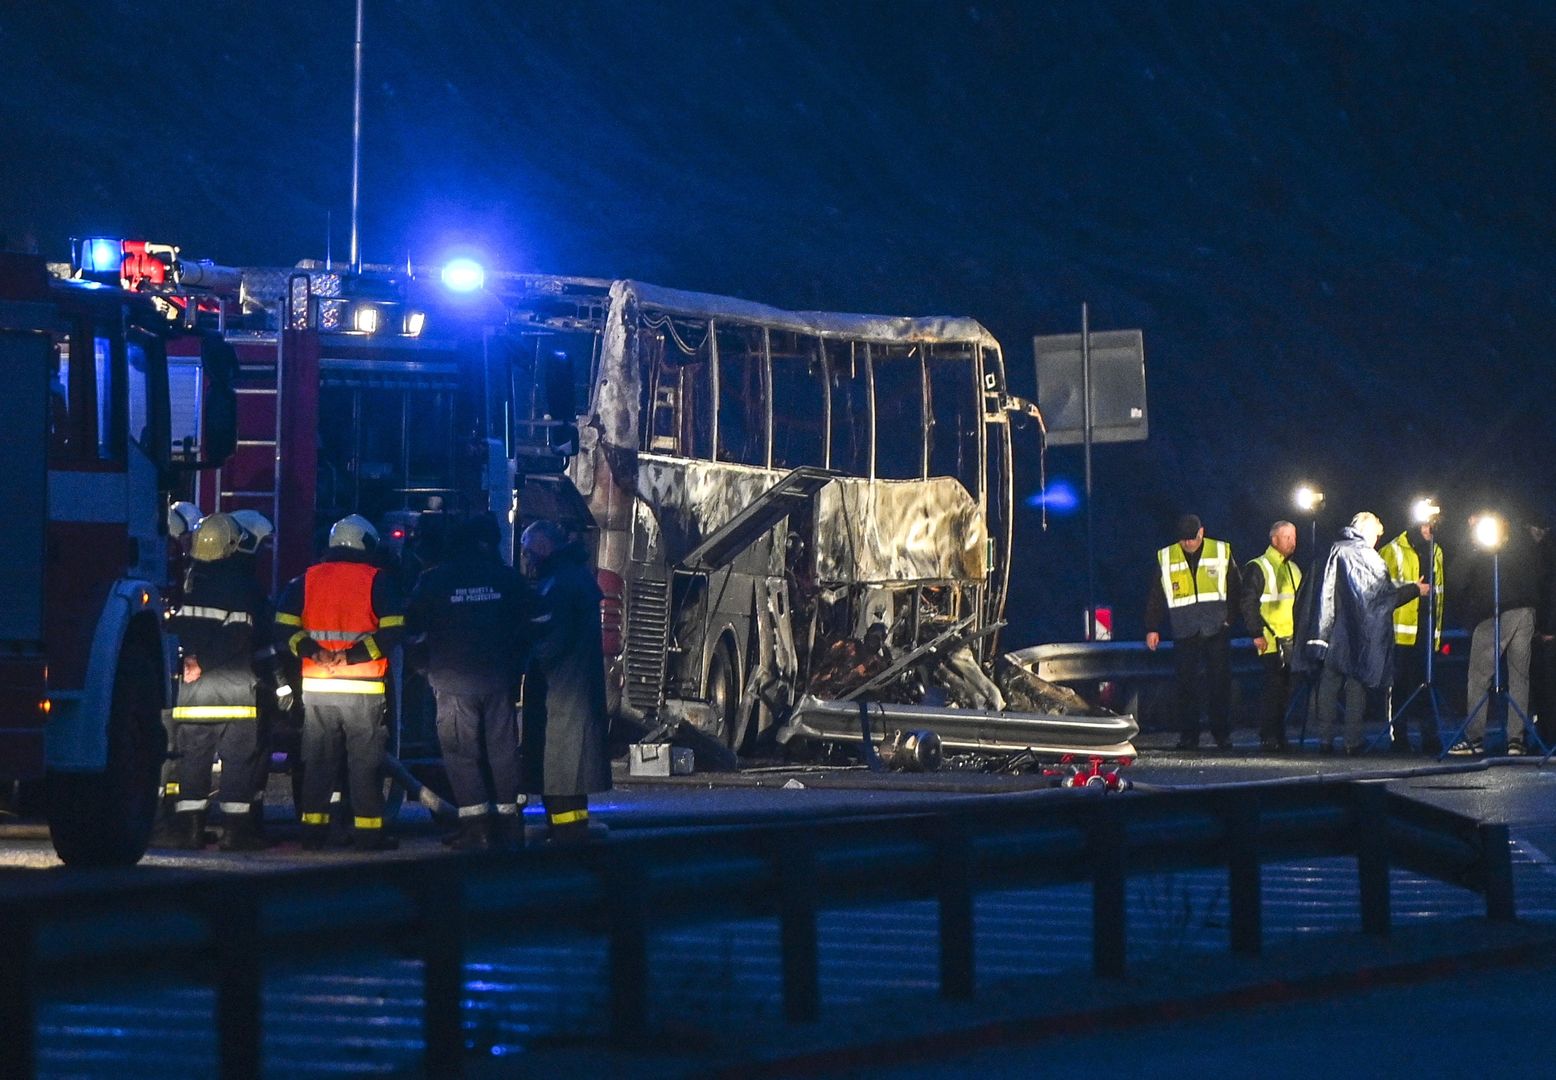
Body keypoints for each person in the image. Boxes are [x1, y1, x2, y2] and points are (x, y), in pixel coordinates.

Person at [275, 514, 406, 851]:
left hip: (318, 688)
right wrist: (352, 657)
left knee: (318, 761)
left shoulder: (304, 581)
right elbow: (392, 633)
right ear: (366, 543)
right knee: (365, 764)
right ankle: (368, 833)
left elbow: (283, 631)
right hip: (363, 689)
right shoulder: (378, 580)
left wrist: (315, 653)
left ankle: (312, 832)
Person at [408, 515, 532, 850]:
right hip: (498, 681)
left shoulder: (433, 581)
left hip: (451, 682)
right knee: (503, 752)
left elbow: (412, 631)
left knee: (462, 755)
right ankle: (509, 824)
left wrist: (425, 669)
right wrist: (515, 665)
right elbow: (532, 625)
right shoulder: (507, 580)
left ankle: (475, 828)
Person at [166, 513, 269, 850]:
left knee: (193, 761)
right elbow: (240, 634)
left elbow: (175, 630)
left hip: (192, 692)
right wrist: (205, 662)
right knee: (238, 762)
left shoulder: (187, 581)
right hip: (233, 691)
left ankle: (191, 832)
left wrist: (190, 662)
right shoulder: (242, 582)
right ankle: (234, 834)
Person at [1305, 512, 1428, 754]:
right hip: (1359, 635)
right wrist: (1415, 589)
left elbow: (1323, 593)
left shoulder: (1335, 550)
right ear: (1368, 532)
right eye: (1376, 535)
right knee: (1356, 687)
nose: (1377, 541)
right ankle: (1352, 742)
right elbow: (1384, 598)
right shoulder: (1371, 558)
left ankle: (1325, 740)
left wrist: (1319, 633)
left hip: (1334, 632)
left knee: (1328, 686)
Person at [519, 520, 611, 842]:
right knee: (567, 781)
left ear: (544, 547)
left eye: (529, 553)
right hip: (571, 695)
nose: (528, 561)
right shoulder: (571, 578)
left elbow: (550, 643)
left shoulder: (557, 585)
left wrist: (518, 650)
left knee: (559, 777)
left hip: (561, 699)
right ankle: (571, 834)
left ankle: (567, 839)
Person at [1145, 514, 1242, 751]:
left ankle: (1222, 734)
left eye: (1192, 539)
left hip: (1216, 628)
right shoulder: (1167, 556)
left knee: (1219, 685)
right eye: (1183, 540)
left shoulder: (1221, 551)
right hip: (1184, 629)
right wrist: (1152, 627)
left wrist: (1230, 619)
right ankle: (1189, 736)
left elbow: (1235, 587)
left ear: (1201, 533)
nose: (1188, 544)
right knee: (1186, 686)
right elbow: (1156, 595)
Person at [1450, 516, 1542, 756]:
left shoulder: (1479, 549)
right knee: (1519, 679)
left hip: (1494, 612)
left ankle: (1475, 738)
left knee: (1479, 678)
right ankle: (1516, 740)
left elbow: (1457, 578)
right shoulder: (1524, 546)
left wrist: (1471, 544)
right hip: (1524, 609)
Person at [1380, 518, 1446, 753]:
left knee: (1427, 685)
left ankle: (1430, 736)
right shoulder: (1393, 550)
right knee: (1399, 687)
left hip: (1426, 630)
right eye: (1425, 526)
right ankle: (1399, 737)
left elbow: (1439, 593)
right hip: (1400, 634)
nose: (1430, 531)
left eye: (1433, 526)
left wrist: (1437, 636)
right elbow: (1385, 593)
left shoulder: (1436, 551)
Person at [1240, 520, 1301, 751]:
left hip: (1290, 640)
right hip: (1270, 639)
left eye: (1294, 537)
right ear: (1274, 539)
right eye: (1287, 537)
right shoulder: (1259, 566)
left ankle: (1280, 735)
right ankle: (1268, 736)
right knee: (1272, 691)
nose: (1292, 542)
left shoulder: (1293, 569)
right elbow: (1248, 602)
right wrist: (1256, 633)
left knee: (1285, 692)